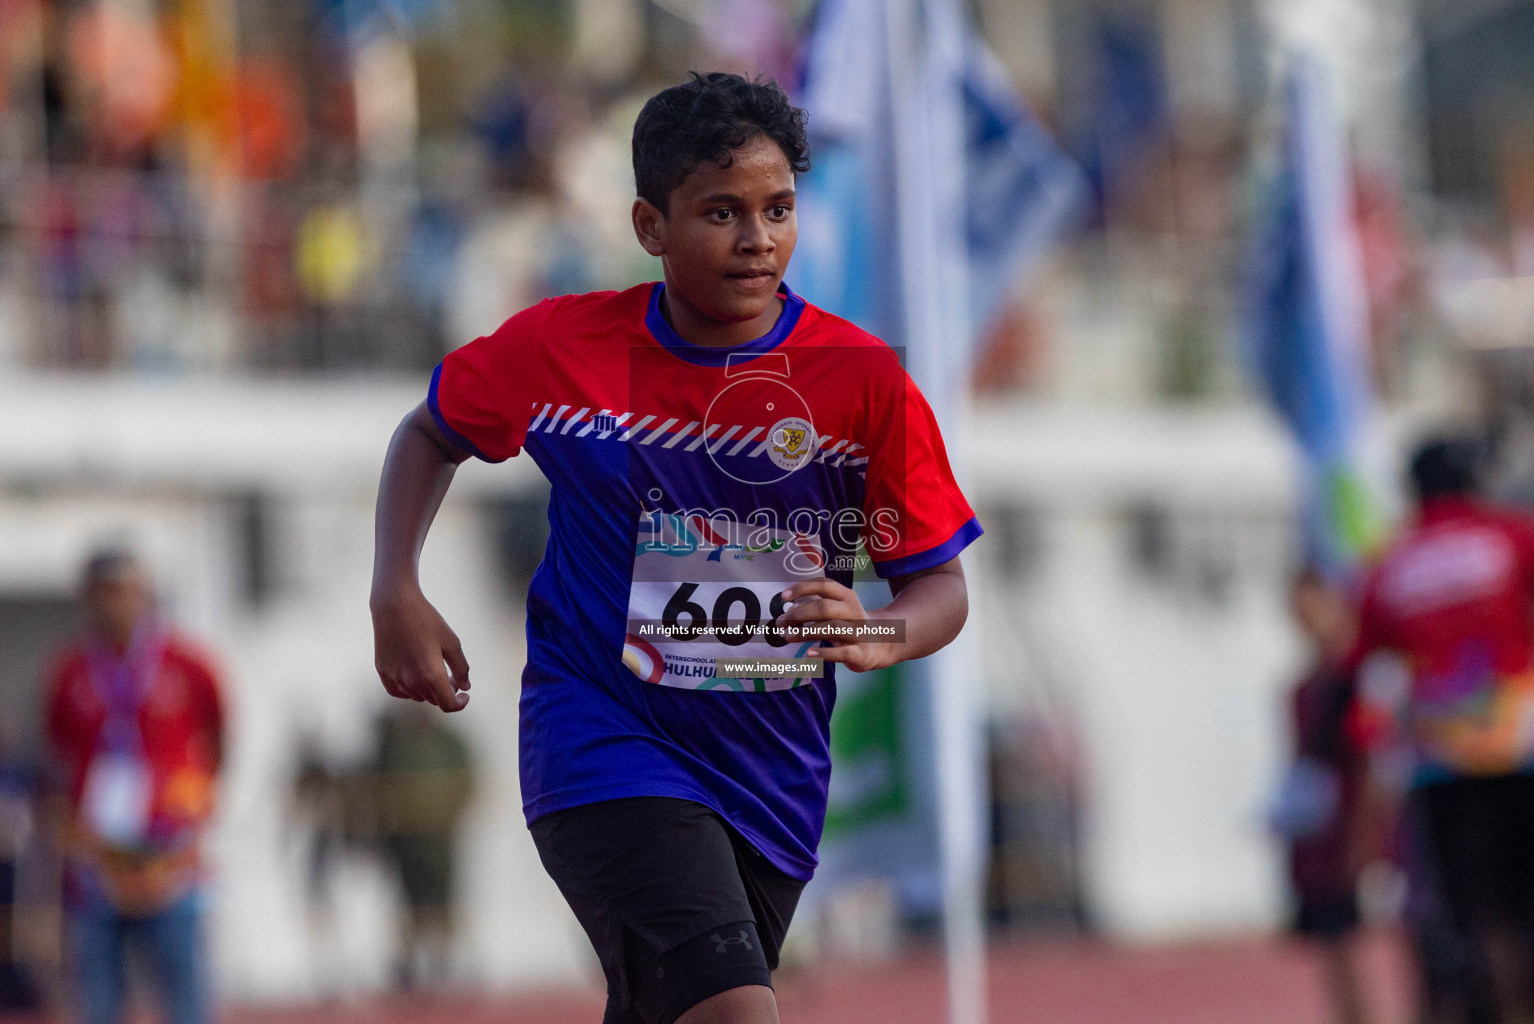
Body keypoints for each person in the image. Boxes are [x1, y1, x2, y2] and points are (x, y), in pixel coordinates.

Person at [370, 72, 979, 1024]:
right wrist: (394, 586)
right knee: (738, 1013)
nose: (756, 239)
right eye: (721, 212)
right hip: (603, 746)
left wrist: (884, 630)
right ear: (650, 226)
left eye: (778, 209)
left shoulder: (857, 381)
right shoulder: (565, 348)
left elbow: (941, 582)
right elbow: (431, 430)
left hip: (770, 783)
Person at [1346, 437, 1534, 1024]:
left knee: (1475, 912)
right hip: (1519, 748)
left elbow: (1369, 671)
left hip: (1438, 761)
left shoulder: (1388, 564)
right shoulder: (1511, 535)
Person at [43, 550, 225, 1024]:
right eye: (101, 594)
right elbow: (57, 755)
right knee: (98, 993)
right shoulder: (68, 674)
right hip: (99, 858)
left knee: (184, 989)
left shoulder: (188, 664)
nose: (113, 604)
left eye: (122, 591)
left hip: (171, 854)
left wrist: (198, 809)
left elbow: (218, 737)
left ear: (143, 593)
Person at [1273, 568, 1374, 1024]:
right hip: (1321, 828)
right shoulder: (1303, 688)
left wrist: (1367, 833)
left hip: (1356, 820)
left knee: (1360, 940)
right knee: (1334, 941)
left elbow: (1372, 758)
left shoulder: (1356, 676)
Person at [369, 704, 476, 990]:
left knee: (443, 902)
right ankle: (410, 967)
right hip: (405, 843)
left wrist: (449, 815)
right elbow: (379, 784)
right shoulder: (397, 744)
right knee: (408, 905)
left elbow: (467, 782)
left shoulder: (449, 742)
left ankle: (443, 965)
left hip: (441, 840)